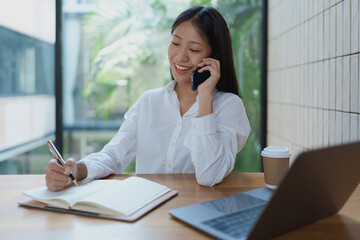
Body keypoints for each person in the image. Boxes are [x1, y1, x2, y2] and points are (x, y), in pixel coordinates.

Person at [45, 6, 251, 191]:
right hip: (147, 215)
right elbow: (114, 155)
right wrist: (76, 170)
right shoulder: (149, 102)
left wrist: (205, 97)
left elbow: (209, 176)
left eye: (194, 49)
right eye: (176, 43)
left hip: (194, 214)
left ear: (214, 58)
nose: (180, 56)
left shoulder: (229, 106)